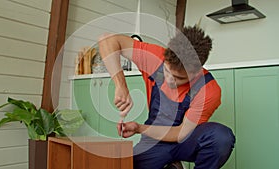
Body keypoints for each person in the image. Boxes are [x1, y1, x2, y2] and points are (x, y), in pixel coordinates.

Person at [98, 25, 235, 169]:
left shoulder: (208, 89)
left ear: (196, 73)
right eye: (167, 71)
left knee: (220, 138)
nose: (170, 80)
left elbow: (180, 134)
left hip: (185, 141)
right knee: (127, 165)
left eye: (179, 78)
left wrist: (139, 128)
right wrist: (121, 85)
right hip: (153, 140)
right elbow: (106, 40)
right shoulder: (155, 58)